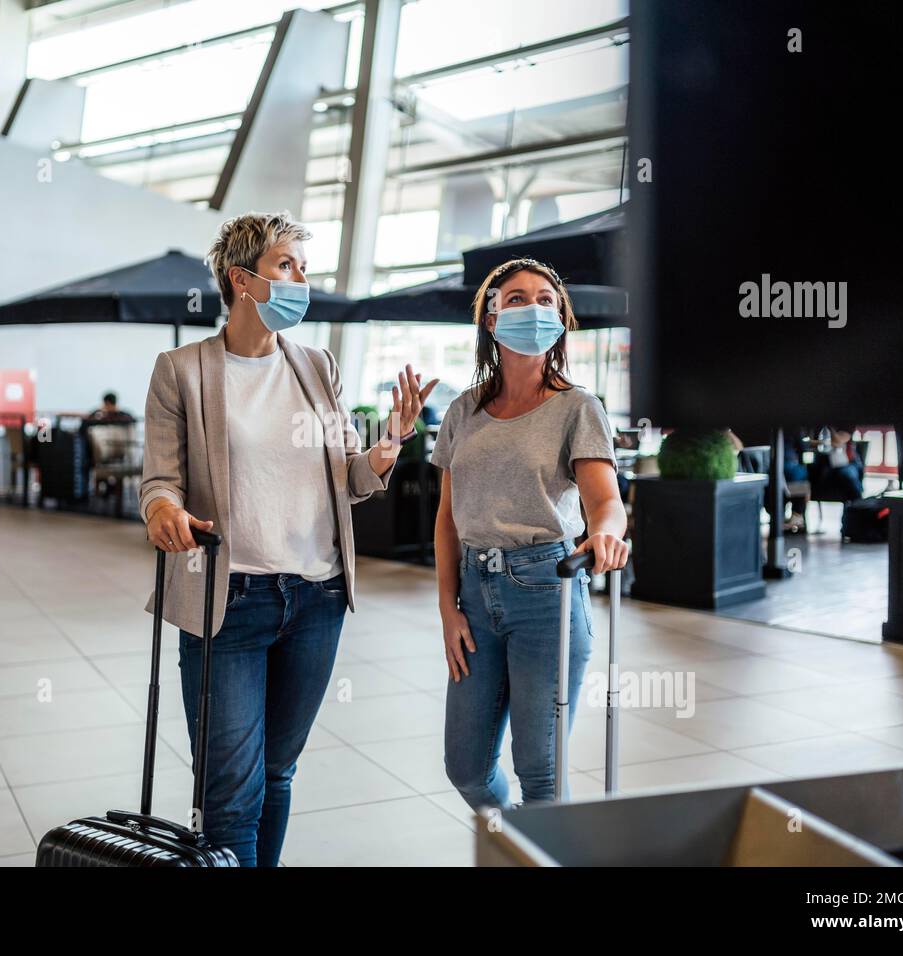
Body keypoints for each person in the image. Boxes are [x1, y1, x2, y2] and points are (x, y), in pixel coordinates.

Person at [139, 211, 436, 866]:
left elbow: (350, 479)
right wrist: (163, 511)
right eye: (288, 265)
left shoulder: (316, 364)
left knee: (275, 776)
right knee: (229, 794)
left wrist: (390, 444)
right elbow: (159, 480)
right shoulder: (181, 370)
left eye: (303, 265)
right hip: (228, 604)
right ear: (241, 279)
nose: (303, 278)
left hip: (315, 602)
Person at [431, 257, 628, 809]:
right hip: (474, 592)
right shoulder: (463, 410)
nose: (534, 307)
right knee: (466, 769)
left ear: (561, 318)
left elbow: (606, 502)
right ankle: (518, 837)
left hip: (549, 590)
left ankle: (533, 847)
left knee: (540, 772)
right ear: (491, 320)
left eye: (546, 299)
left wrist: (607, 534)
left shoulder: (577, 408)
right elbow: (448, 517)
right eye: (517, 298)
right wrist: (448, 608)